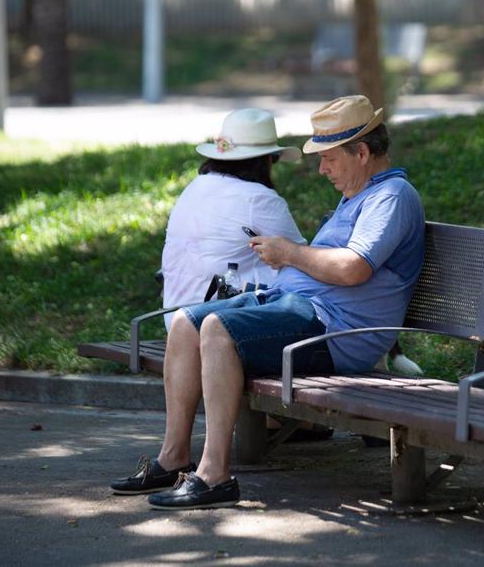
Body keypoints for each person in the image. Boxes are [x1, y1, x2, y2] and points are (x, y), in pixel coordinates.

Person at [109, 95, 426, 509]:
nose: (322, 169)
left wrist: (289, 253)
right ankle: (173, 458)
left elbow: (353, 269)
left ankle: (215, 475)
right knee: (186, 323)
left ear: (362, 153)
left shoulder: (392, 196)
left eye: (328, 158)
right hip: (303, 310)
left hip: (335, 331)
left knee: (217, 330)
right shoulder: (359, 196)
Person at [160, 108, 305, 331]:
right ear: (265, 160)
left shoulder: (195, 186)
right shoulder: (258, 198)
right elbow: (301, 259)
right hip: (216, 324)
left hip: (175, 319)